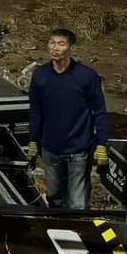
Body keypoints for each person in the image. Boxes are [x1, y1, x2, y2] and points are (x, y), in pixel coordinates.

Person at [26, 29, 109, 210]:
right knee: (54, 197)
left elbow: (100, 111)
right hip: (51, 150)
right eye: (52, 42)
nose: (55, 48)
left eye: (61, 44)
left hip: (79, 150)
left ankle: (77, 226)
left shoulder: (87, 77)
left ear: (72, 48)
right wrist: (33, 140)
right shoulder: (40, 75)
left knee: (77, 205)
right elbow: (36, 111)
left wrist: (102, 143)